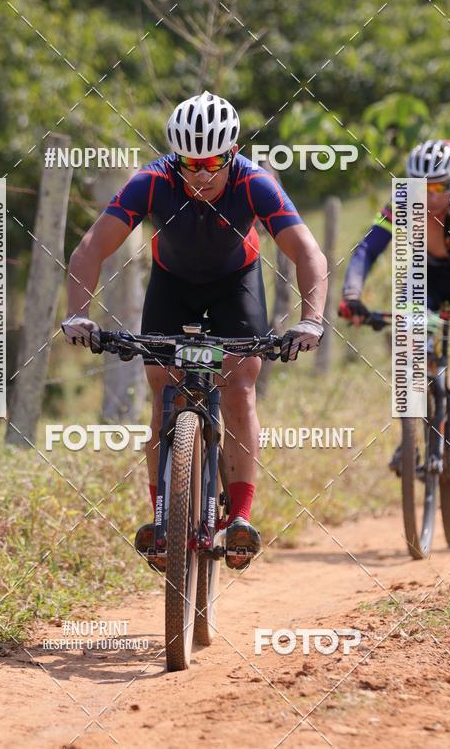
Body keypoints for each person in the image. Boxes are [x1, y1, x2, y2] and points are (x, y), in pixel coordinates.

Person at [61, 90, 328, 569]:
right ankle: (165, 519)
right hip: (172, 285)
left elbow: (308, 252)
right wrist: (79, 312)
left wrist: (311, 319)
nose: (201, 175)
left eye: (212, 163)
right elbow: (90, 249)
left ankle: (241, 518)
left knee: (240, 387)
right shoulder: (151, 181)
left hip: (236, 284)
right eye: (189, 163)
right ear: (174, 158)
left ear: (232, 154)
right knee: (162, 394)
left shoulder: (255, 184)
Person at [340, 139, 450, 488]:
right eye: (420, 187)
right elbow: (367, 249)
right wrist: (352, 294)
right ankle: (410, 436)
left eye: (439, 187)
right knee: (409, 347)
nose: (428, 197)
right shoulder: (401, 204)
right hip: (425, 280)